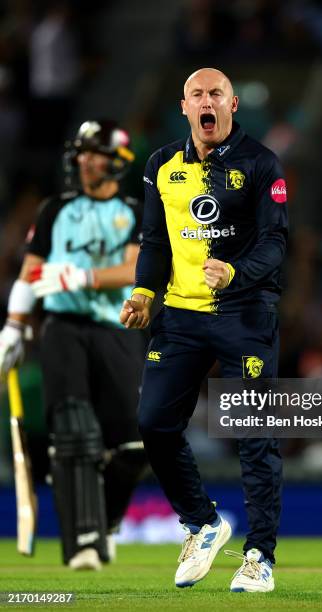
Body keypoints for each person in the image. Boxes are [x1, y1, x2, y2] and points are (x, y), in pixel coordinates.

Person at [120, 68, 288, 592]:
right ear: (186, 106)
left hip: (245, 314)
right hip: (181, 316)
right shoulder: (160, 165)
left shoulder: (261, 164)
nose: (207, 102)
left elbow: (277, 242)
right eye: (198, 95)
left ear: (233, 104)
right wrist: (144, 293)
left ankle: (259, 556)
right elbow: (154, 242)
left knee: (255, 436)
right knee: (153, 423)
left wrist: (235, 271)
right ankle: (203, 522)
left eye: (217, 94)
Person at [0, 119, 148, 570]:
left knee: (135, 444)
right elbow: (33, 269)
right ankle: (81, 542)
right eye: (80, 152)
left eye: (93, 152)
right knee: (74, 432)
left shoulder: (135, 211)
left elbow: (136, 270)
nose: (84, 160)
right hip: (63, 328)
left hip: (117, 330)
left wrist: (81, 276)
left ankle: (106, 521)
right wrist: (14, 326)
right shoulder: (55, 210)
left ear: (117, 161)